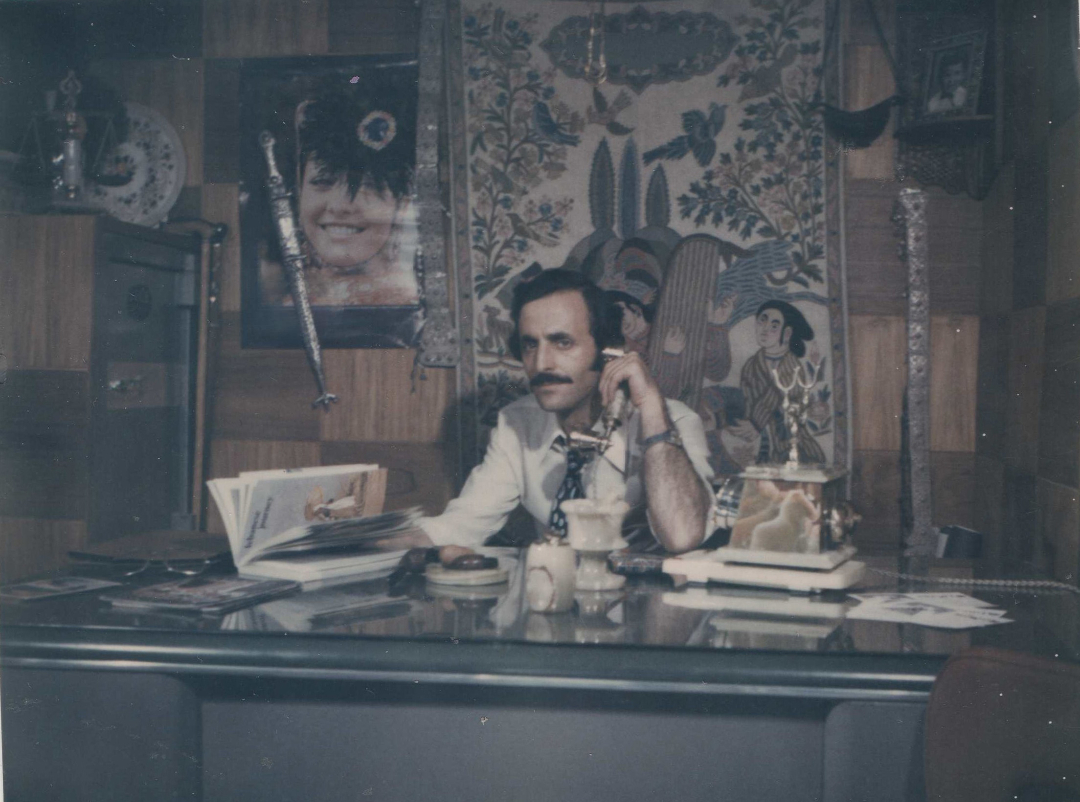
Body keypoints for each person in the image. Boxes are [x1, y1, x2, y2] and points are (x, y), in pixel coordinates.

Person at [419, 268, 716, 557]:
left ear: (607, 351)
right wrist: (390, 540)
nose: (541, 363)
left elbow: (682, 536)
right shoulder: (517, 423)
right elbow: (460, 525)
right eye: (530, 345)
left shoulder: (674, 421)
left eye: (563, 343)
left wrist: (650, 405)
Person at [260, 83, 420, 307]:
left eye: (368, 187)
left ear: (401, 203)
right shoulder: (282, 302)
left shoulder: (409, 302)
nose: (339, 205)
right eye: (322, 182)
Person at [722, 300, 826, 466]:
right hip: (761, 445)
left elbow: (777, 393)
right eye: (762, 321)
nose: (765, 329)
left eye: (774, 326)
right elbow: (747, 402)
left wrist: (755, 423)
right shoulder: (750, 365)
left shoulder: (791, 365)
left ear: (787, 333)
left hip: (792, 444)